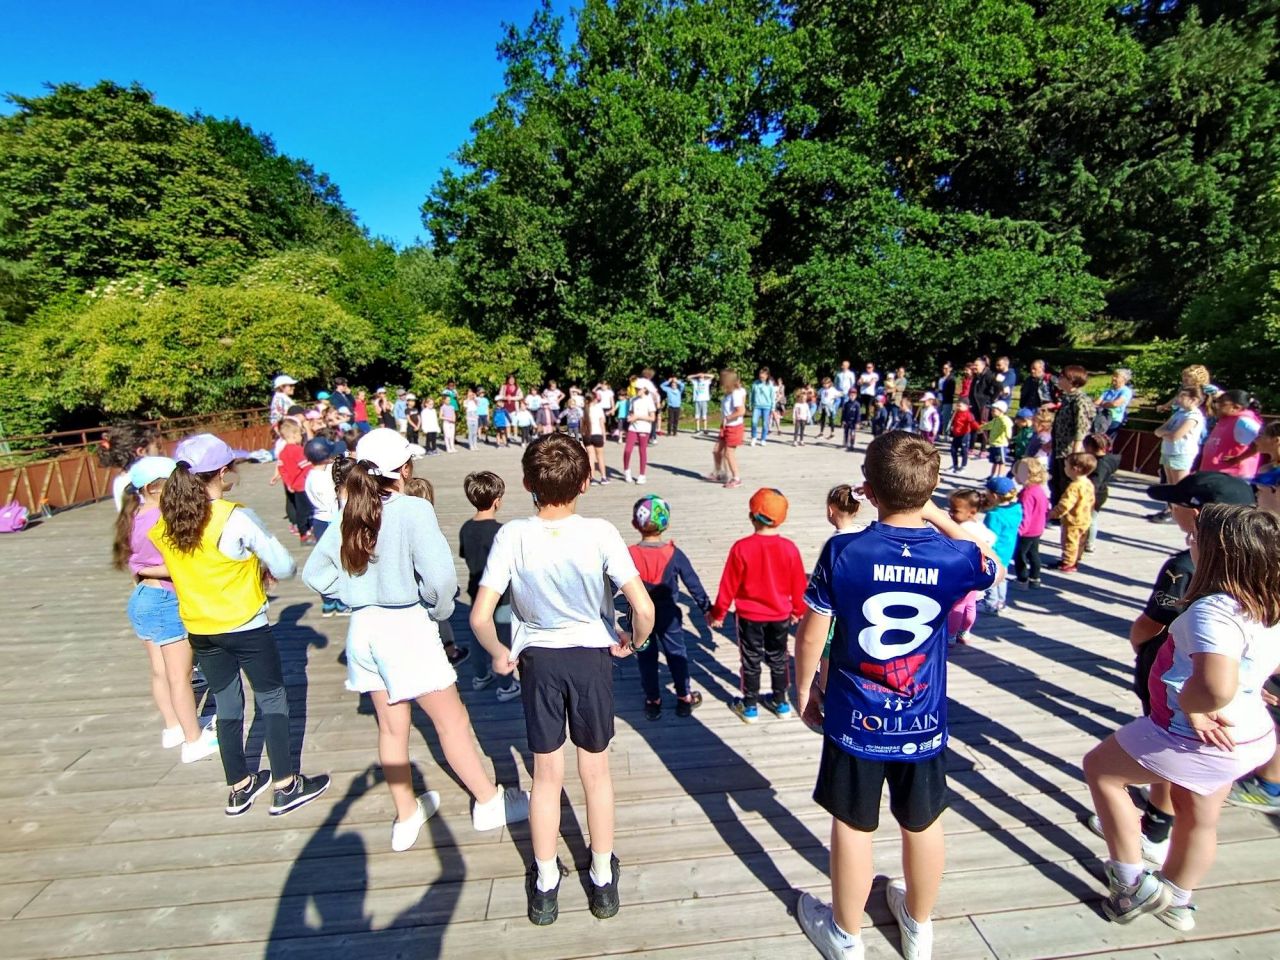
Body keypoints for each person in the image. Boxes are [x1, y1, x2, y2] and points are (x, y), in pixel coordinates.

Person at [794, 431, 1001, 960]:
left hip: (855, 715)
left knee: (853, 824)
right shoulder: (955, 557)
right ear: (930, 488)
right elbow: (989, 560)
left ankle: (846, 935)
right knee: (924, 821)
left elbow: (812, 634)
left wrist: (803, 686)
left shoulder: (843, 550)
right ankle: (918, 926)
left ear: (868, 489)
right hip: (921, 717)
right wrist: (936, 513)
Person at [303, 430, 528, 852]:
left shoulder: (350, 510)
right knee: (452, 722)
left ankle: (406, 815)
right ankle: (488, 801)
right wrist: (438, 612)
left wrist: (354, 594)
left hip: (363, 630)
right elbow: (441, 582)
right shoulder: (413, 510)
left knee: (391, 730)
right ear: (404, 469)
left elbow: (315, 574)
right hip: (406, 627)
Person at [468, 434, 655, 925]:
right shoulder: (600, 533)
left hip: (539, 663)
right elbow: (643, 608)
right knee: (596, 773)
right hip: (591, 659)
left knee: (546, 776)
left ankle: (546, 884)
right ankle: (602, 879)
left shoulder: (512, 536)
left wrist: (501, 653)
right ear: (586, 483)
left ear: (526, 483)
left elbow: (480, 616)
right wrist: (633, 643)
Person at [1083, 503, 1280, 929]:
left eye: (1196, 537)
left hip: (1196, 736)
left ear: (1218, 554)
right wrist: (1251, 684)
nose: (1189, 541)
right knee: (1199, 817)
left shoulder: (1214, 612)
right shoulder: (1267, 599)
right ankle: (1178, 901)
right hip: (1248, 734)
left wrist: (1195, 707)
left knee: (1101, 770)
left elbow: (1215, 688)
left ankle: (1131, 885)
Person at [152, 434, 329, 817]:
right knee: (272, 698)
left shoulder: (169, 522)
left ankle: (239, 786)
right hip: (245, 624)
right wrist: (257, 564)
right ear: (222, 472)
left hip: (200, 628)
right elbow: (285, 566)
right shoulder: (234, 517)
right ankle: (285, 785)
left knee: (227, 701)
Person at [1084, 471, 1256, 862]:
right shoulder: (1259, 560)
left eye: (1173, 504)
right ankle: (1168, 838)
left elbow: (1152, 623)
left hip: (1175, 676)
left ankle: (1154, 830)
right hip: (1238, 690)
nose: (1170, 509)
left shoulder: (1184, 564)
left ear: (1196, 514)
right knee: (1202, 792)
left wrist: (1140, 646)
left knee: (1161, 744)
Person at [113, 455, 218, 763]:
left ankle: (173, 727)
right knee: (180, 676)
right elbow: (175, 564)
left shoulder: (132, 515)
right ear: (155, 488)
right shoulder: (162, 519)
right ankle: (193, 740)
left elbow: (135, 564)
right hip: (165, 599)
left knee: (159, 671)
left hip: (143, 598)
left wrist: (142, 570)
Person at [708, 488, 808, 723]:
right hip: (780, 615)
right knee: (779, 657)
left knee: (751, 659)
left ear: (751, 516)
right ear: (781, 519)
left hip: (749, 617)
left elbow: (728, 585)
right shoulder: (789, 548)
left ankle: (750, 705)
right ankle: (781, 702)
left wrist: (718, 613)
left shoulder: (741, 547)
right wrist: (798, 610)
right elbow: (799, 585)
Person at [625, 495, 710, 721]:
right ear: (667, 524)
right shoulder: (674, 554)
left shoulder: (629, 554)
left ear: (635, 524)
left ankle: (653, 701)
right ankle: (684, 698)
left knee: (646, 658)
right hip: (668, 616)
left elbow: (613, 582)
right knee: (676, 654)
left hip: (640, 616)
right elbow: (693, 583)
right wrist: (707, 608)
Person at [458, 472, 522, 701]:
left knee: (477, 636)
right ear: (497, 501)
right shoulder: (500, 532)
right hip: (501, 597)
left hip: (476, 591)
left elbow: (465, 555)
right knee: (502, 640)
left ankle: (480, 676)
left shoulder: (466, 528)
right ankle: (506, 685)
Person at [944, 488, 997, 646]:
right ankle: (965, 631)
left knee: (957, 605)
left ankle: (951, 635)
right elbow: (991, 539)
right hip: (977, 574)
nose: (951, 513)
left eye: (955, 510)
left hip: (962, 574)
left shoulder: (963, 530)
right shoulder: (979, 527)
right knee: (970, 604)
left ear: (971, 512)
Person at [1151, 388, 1207, 521]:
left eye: (1182, 397)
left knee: (1180, 486)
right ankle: (1172, 511)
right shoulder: (1180, 413)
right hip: (1168, 451)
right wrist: (1166, 433)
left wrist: (1166, 433)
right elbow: (1158, 431)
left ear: (1194, 400)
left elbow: (1175, 436)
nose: (1178, 400)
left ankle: (1186, 516)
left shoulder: (1194, 416)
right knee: (1170, 485)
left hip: (1181, 452)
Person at [1050, 365, 1096, 503]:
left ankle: (1066, 512)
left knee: (1067, 485)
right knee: (1056, 483)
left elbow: (1081, 427)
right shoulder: (1067, 398)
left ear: (1072, 380)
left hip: (1069, 451)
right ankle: (1057, 510)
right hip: (1059, 448)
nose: (1059, 379)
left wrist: (1075, 454)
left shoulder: (1080, 400)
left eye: (1062, 377)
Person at [980, 476, 1022, 615]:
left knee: (992, 578)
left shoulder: (994, 515)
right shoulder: (1017, 509)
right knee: (1002, 577)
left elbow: (989, 537)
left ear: (994, 496)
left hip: (994, 552)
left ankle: (991, 604)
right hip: (1007, 551)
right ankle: (1001, 602)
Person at [99, 421, 163, 512]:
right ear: (141, 451)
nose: (161, 451)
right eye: (158, 447)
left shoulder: (120, 481)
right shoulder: (150, 478)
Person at [1049, 452, 1097, 573]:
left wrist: (1053, 513)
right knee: (1080, 542)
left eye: (1066, 466)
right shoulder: (1088, 483)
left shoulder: (1074, 486)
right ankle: (1075, 560)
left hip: (1073, 520)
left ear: (1075, 469)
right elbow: (1092, 501)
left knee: (1069, 542)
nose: (1065, 469)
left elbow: (1065, 504)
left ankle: (1068, 564)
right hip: (1085, 518)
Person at [1200, 389, 1263, 478]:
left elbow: (1261, 442)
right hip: (1214, 473)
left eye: (1221, 403)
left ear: (1236, 407)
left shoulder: (1243, 421)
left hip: (1232, 475)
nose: (1217, 406)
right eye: (1217, 402)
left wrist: (1238, 459)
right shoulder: (1226, 419)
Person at [1013, 457, 1049, 589]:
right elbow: (1046, 509)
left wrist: (1019, 531)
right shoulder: (1039, 489)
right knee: (1033, 554)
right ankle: (1035, 578)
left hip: (1026, 531)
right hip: (1037, 528)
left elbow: (1025, 514)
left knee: (1020, 555)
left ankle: (1022, 580)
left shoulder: (1027, 494)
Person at [707, 369, 747, 489]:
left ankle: (736, 478)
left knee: (729, 453)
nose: (720, 382)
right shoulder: (729, 393)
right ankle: (720, 473)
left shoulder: (736, 394)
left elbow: (741, 411)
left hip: (734, 427)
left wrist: (728, 418)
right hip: (726, 426)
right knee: (717, 451)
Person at [277, 420, 314, 544]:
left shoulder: (282, 453)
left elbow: (282, 470)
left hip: (294, 486)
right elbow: (307, 467)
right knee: (309, 509)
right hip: (304, 485)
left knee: (300, 510)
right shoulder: (298, 450)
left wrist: (288, 483)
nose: (301, 437)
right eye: (299, 434)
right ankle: (307, 532)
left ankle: (303, 532)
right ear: (293, 435)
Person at [1084, 433, 1121, 553]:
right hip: (1102, 492)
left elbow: (1095, 482)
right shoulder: (1109, 459)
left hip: (1095, 494)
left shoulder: (1100, 465)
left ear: (1090, 447)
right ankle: (1087, 541)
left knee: (1091, 519)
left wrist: (1086, 494)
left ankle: (1089, 543)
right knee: (1092, 518)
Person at [623, 384, 656, 484]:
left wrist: (638, 417)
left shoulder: (649, 400)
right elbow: (630, 413)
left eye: (639, 389)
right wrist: (630, 417)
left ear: (644, 389)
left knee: (642, 451)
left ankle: (642, 475)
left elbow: (652, 418)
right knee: (627, 450)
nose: (637, 390)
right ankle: (626, 471)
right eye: (636, 389)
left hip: (644, 428)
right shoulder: (633, 400)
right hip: (633, 427)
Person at [979, 399, 1014, 477]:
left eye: (994, 411)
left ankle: (1000, 476)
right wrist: (981, 427)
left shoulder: (1005, 419)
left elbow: (1008, 426)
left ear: (1001, 411)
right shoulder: (995, 419)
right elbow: (989, 425)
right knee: (995, 461)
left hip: (1000, 445)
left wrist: (1009, 436)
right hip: (994, 444)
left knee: (1001, 462)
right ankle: (993, 475)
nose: (991, 412)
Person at [1098, 369, 1134, 438]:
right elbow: (1096, 403)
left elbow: (1115, 404)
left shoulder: (1126, 391)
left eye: (1116, 376)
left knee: (1105, 441)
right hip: (1101, 419)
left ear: (1124, 379)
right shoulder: (1107, 391)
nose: (1113, 378)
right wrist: (1107, 404)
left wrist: (1102, 403)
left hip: (1114, 420)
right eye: (1113, 375)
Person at [585, 391, 611, 484]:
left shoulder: (584, 409)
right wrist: (604, 436)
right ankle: (603, 477)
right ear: (594, 399)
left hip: (587, 435)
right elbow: (602, 424)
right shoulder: (598, 408)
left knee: (590, 457)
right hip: (597, 434)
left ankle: (592, 478)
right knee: (600, 457)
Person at [948, 399, 980, 473]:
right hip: (956, 434)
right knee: (953, 450)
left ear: (966, 406)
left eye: (960, 406)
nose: (958, 407)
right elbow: (954, 422)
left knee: (964, 451)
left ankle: (963, 466)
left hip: (964, 435)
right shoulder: (956, 413)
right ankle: (955, 465)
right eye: (957, 405)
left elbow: (973, 423)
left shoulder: (969, 415)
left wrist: (979, 428)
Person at [968, 356, 999, 426]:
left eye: (976, 365)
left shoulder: (989, 375)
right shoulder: (977, 376)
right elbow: (972, 390)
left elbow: (998, 387)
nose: (974, 367)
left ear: (983, 366)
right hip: (975, 405)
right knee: (975, 425)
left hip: (984, 406)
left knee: (983, 426)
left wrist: (992, 399)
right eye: (974, 365)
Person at [749, 367, 776, 446]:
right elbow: (751, 394)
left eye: (763, 374)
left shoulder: (770, 384)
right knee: (754, 422)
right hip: (757, 406)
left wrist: (773, 407)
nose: (761, 376)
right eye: (760, 374)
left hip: (767, 407)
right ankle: (754, 437)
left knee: (765, 424)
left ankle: (763, 439)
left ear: (767, 375)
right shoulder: (755, 383)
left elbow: (772, 396)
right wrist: (750, 404)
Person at [936, 362, 956, 435]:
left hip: (947, 400)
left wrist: (941, 391)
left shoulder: (951, 379)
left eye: (946, 368)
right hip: (939, 400)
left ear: (950, 369)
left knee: (946, 418)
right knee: (938, 417)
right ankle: (938, 433)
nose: (944, 370)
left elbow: (951, 391)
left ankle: (946, 434)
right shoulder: (940, 378)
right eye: (943, 368)